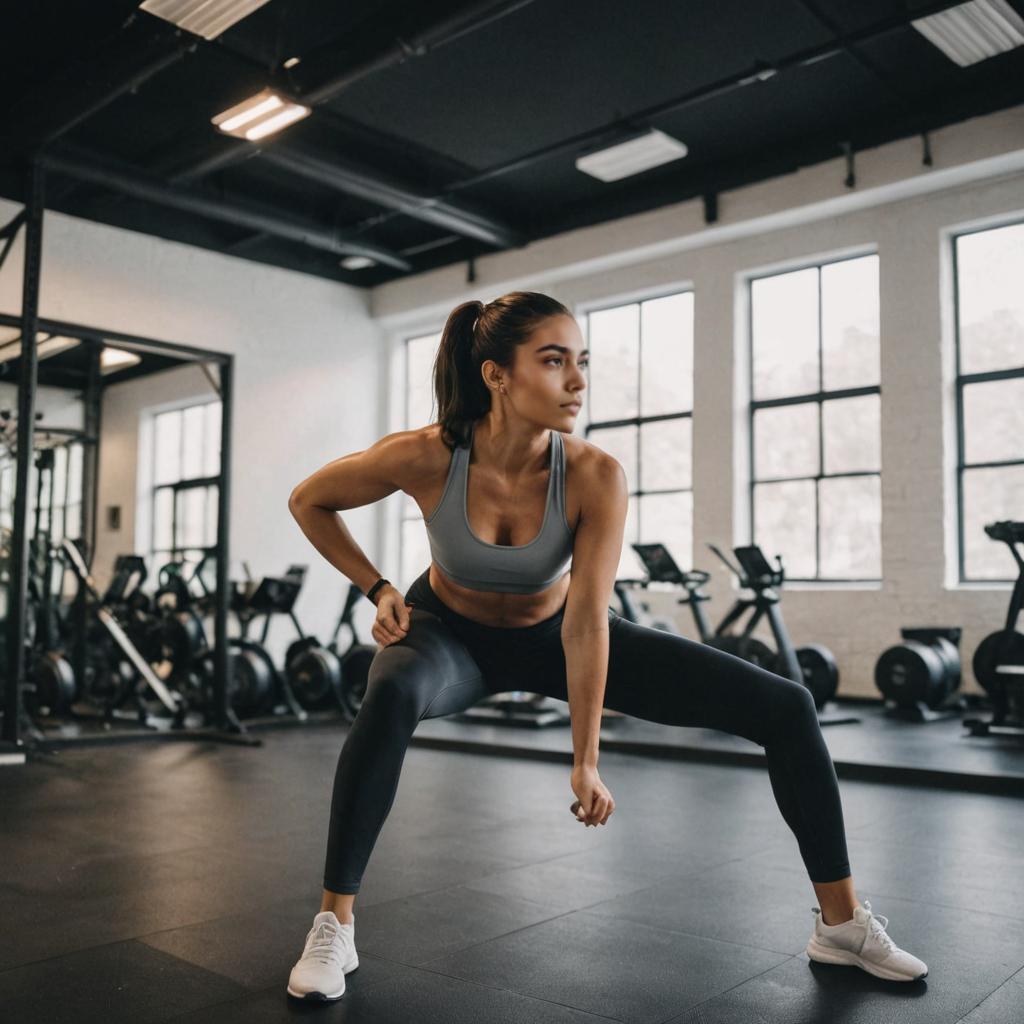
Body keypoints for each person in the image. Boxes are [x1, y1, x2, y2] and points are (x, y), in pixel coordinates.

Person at [284, 290, 928, 1002]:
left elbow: (587, 620)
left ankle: (840, 926)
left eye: (581, 362)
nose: (578, 381)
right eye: (554, 361)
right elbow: (309, 500)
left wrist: (585, 760)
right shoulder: (428, 455)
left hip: (555, 634)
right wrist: (376, 587)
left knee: (787, 704)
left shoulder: (594, 474)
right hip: (447, 636)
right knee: (391, 689)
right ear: (497, 375)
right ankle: (333, 925)